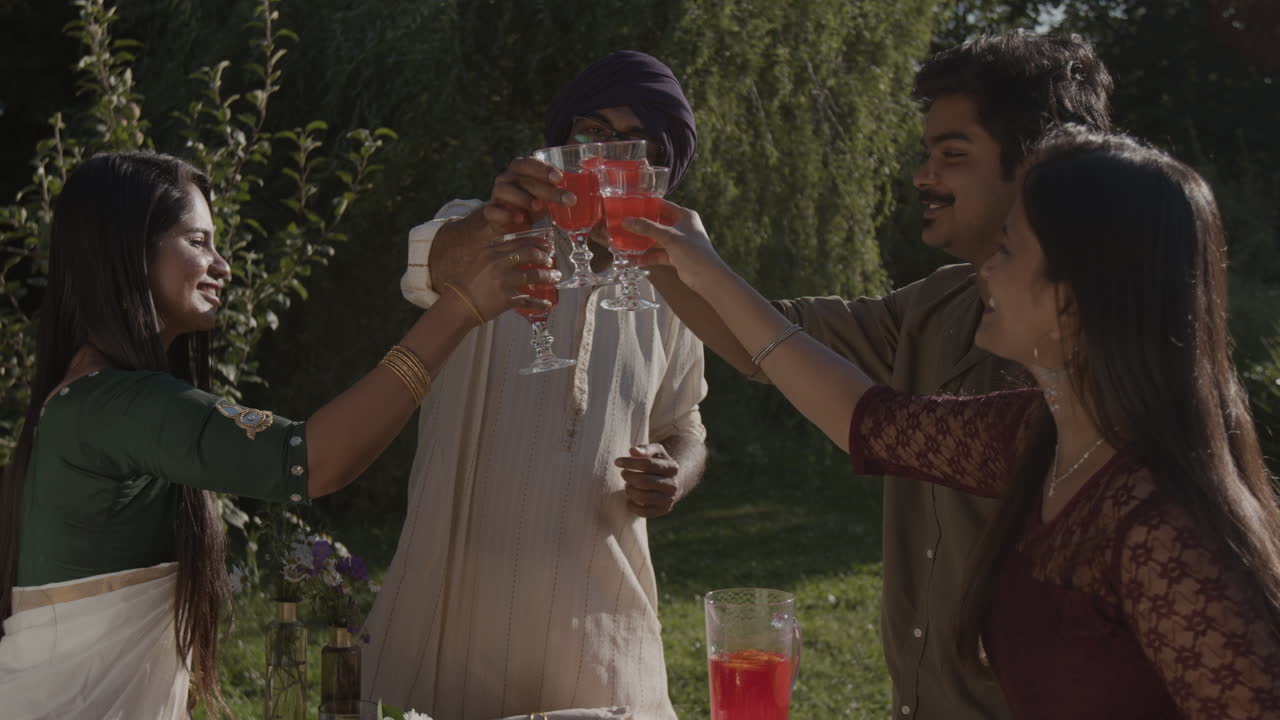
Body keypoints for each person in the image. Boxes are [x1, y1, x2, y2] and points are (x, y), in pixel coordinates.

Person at [630, 125, 1280, 717]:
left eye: (1007, 250)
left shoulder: (1164, 528)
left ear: (1073, 298)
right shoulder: (1038, 437)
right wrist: (696, 269)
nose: (986, 271)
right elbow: (866, 418)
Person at [645, 30, 1114, 718]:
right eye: (926, 153)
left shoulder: (1107, 375)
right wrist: (645, 242)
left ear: (1040, 167)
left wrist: (702, 265)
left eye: (952, 156)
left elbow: (871, 424)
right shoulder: (936, 304)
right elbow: (763, 344)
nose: (923, 176)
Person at [0, 151, 556, 719]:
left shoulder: (96, 398)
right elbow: (311, 460)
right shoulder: (111, 406)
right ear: (125, 251)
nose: (222, 266)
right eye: (197, 242)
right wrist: (459, 308)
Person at [361, 51, 707, 720]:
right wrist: (492, 222)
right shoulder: (493, 236)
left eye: (629, 143)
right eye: (591, 131)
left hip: (603, 644)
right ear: (561, 146)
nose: (604, 153)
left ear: (657, 177)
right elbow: (433, 259)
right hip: (446, 631)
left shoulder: (672, 282)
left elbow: (686, 421)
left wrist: (677, 473)